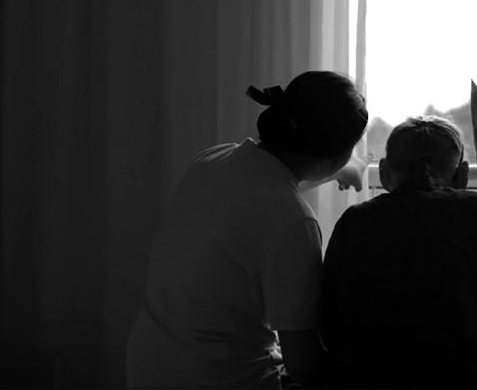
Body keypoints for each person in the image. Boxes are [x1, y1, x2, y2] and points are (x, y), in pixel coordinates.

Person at [126, 71, 368, 389]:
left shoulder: (213, 160)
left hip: (150, 367)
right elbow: (303, 366)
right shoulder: (294, 223)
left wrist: (336, 170)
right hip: (219, 379)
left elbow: (263, 196)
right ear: (336, 154)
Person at [322, 116, 477, 389]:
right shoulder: (475, 211)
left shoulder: (354, 221)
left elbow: (328, 326)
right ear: (462, 175)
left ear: (385, 172)